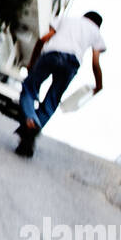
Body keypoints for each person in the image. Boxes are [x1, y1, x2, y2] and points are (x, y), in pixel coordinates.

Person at [15, 11, 105, 158]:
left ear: (84, 16)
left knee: (29, 88)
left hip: (52, 54)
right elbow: (95, 62)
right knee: (52, 100)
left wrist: (32, 62)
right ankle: (32, 130)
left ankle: (30, 121)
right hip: (72, 63)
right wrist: (99, 84)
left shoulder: (66, 19)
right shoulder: (96, 33)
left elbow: (44, 38)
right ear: (98, 25)